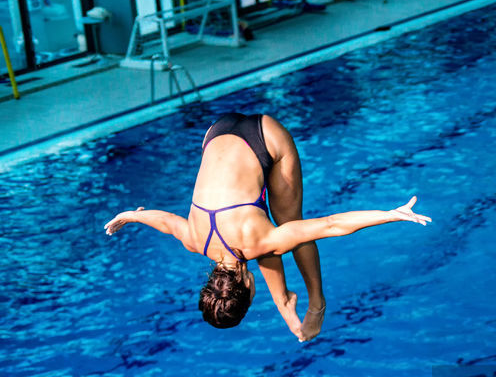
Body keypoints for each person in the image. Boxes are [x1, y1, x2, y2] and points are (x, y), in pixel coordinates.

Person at [103, 112, 431, 342]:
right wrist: (131, 215)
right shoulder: (193, 240)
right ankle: (287, 305)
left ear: (247, 284)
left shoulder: (261, 242)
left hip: (264, 135)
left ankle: (315, 302)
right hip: (217, 130)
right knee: (268, 240)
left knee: (289, 226)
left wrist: (392, 214)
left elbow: (331, 225)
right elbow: (163, 221)